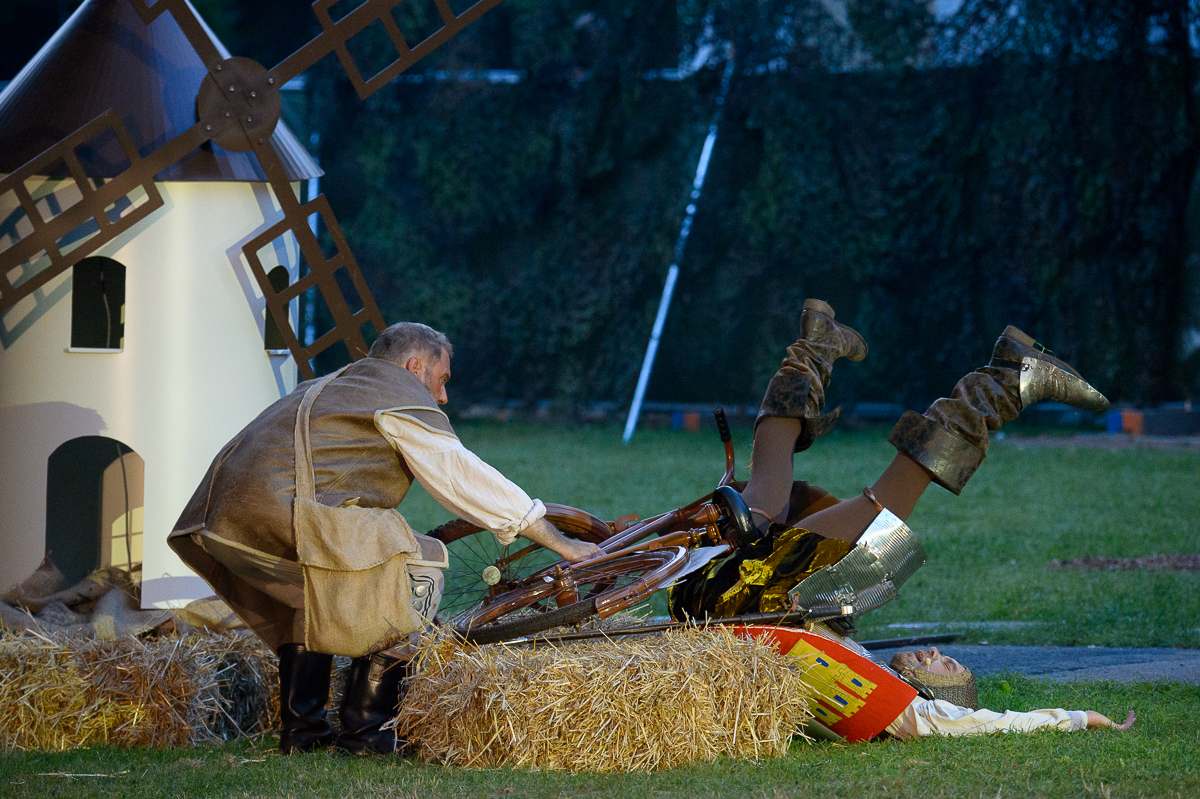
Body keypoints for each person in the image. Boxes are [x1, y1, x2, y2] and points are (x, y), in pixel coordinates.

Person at [168, 322, 603, 755]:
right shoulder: (395, 393)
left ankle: (303, 733)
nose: (443, 396)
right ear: (414, 367)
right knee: (417, 570)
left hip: (216, 523)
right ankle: (366, 732)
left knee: (314, 592)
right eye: (442, 379)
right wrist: (562, 543)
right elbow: (461, 475)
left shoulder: (328, 385)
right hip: (286, 520)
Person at [670, 299, 1110, 619]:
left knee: (782, 556)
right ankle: (813, 348)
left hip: (713, 602)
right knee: (753, 523)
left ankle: (1001, 383)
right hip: (693, 592)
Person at [884, 646, 1136, 739]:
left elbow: (1009, 722)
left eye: (947, 665)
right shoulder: (884, 677)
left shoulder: (937, 712)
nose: (934, 651)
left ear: (939, 691)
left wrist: (1084, 717)